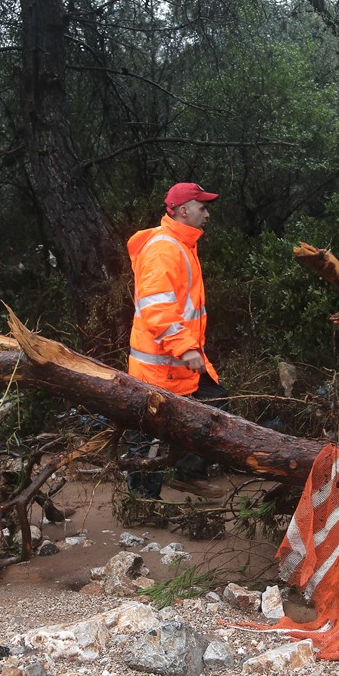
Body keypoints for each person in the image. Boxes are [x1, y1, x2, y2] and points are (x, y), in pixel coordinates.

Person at [125, 182, 229, 498]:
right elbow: (158, 308)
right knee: (150, 435)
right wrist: (185, 348)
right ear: (184, 210)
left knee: (215, 405)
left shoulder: (182, 245)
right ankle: (143, 502)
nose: (207, 214)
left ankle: (187, 474)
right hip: (160, 368)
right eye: (202, 207)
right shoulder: (164, 249)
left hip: (175, 362)